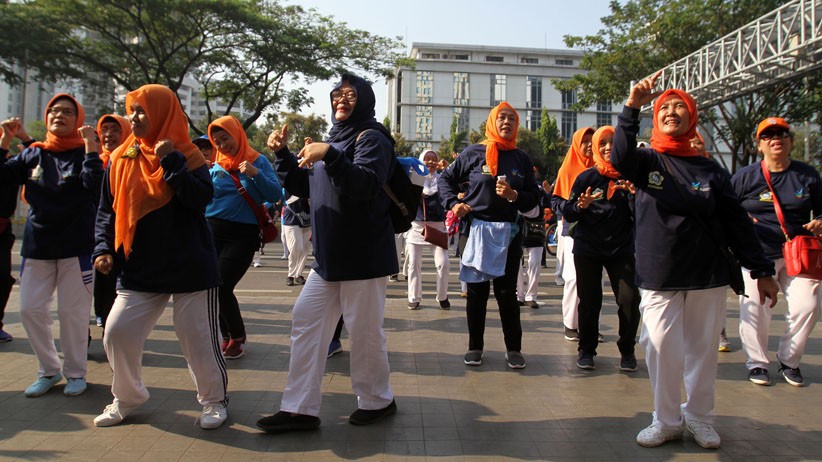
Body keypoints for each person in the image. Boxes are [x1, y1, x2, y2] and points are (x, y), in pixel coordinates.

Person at [612, 71, 779, 450]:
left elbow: (738, 224)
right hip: (658, 272)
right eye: (665, 107)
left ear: (692, 117)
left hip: (707, 274)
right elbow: (619, 157)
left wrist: (762, 270)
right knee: (659, 345)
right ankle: (666, 420)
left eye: (679, 107)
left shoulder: (711, 171)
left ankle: (700, 417)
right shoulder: (645, 161)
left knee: (703, 350)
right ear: (656, 118)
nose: (671, 111)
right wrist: (632, 105)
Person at [256, 73, 397, 433]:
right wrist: (283, 155)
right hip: (330, 256)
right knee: (306, 320)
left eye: (350, 95)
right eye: (337, 95)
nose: (341, 100)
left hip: (362, 255)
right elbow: (306, 187)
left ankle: (377, 400)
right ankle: (300, 408)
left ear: (364, 100)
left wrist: (331, 154)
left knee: (364, 332)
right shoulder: (334, 140)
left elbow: (365, 183)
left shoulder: (372, 137)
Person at [92, 84, 228, 429]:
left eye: (142, 111)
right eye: (132, 110)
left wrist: (171, 162)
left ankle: (213, 400)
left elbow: (199, 199)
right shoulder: (122, 158)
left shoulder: (189, 155)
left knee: (197, 338)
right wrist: (103, 248)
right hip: (140, 266)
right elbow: (107, 210)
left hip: (190, 266)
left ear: (163, 115)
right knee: (116, 332)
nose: (135, 118)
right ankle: (127, 395)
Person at [0, 96, 103, 398]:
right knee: (30, 309)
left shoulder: (82, 153)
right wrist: (4, 140)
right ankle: (48, 369)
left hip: (77, 246)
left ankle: (75, 372)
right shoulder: (33, 153)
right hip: (38, 246)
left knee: (72, 313)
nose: (59, 116)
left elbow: (96, 187)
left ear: (78, 118)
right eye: (54, 111)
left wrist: (92, 148)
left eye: (67, 112)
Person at [439, 102, 539, 369]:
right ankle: (475, 347)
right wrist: (453, 204)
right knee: (476, 293)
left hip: (509, 233)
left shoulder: (522, 159)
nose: (506, 122)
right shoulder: (473, 153)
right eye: (502, 118)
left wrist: (513, 195)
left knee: (507, 294)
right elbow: (444, 180)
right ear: (492, 122)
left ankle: (514, 348)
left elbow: (534, 196)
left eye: (512, 119)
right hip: (475, 231)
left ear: (517, 125)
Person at [732, 117, 822, 387]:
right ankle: (757, 363)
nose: (776, 140)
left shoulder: (807, 175)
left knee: (808, 306)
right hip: (758, 255)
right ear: (759, 145)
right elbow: (726, 209)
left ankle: (789, 360)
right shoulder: (745, 177)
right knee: (755, 309)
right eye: (768, 136)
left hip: (800, 254)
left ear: (791, 142)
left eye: (782, 134)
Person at [562, 125, 640, 372]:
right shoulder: (586, 177)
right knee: (590, 301)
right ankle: (586, 350)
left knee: (629, 299)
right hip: (588, 248)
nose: (608, 147)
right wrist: (581, 206)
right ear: (596, 147)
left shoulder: (630, 177)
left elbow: (643, 216)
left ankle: (627, 350)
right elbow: (567, 211)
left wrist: (633, 196)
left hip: (621, 249)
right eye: (603, 143)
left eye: (613, 143)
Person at [206, 115, 282, 359]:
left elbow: (274, 193)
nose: (221, 144)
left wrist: (254, 173)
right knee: (212, 286)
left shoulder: (256, 160)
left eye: (225, 137)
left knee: (222, 285)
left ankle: (236, 336)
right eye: (216, 141)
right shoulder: (215, 166)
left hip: (243, 236)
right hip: (212, 232)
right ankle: (226, 336)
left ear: (236, 133)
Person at [551, 127, 595, 341]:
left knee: (594, 282)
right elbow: (556, 201)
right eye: (584, 141)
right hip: (573, 230)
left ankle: (589, 327)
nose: (589, 144)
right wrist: (575, 206)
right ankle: (570, 323)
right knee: (574, 278)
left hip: (600, 232)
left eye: (592, 140)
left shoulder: (603, 168)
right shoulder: (567, 170)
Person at [93, 114, 131, 330]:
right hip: (99, 233)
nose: (108, 134)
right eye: (104, 129)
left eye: (115, 129)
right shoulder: (93, 160)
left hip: (123, 236)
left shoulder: (132, 161)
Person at [0, 118, 34, 343]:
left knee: (2, 279)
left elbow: (44, 161)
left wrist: (26, 139)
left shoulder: (11, 166)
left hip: (3, 229)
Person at [406, 149, 450, 310]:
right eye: (427, 159)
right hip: (418, 226)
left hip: (438, 227)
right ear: (421, 161)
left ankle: (442, 296)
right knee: (413, 264)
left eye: (434, 159)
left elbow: (456, 183)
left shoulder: (443, 179)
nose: (431, 162)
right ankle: (414, 297)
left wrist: (447, 168)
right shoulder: (416, 178)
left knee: (443, 263)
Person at [281, 189, 311, 286]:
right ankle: (291, 274)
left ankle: (298, 274)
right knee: (296, 247)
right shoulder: (291, 179)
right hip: (292, 217)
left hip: (308, 217)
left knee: (305, 249)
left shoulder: (312, 178)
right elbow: (288, 199)